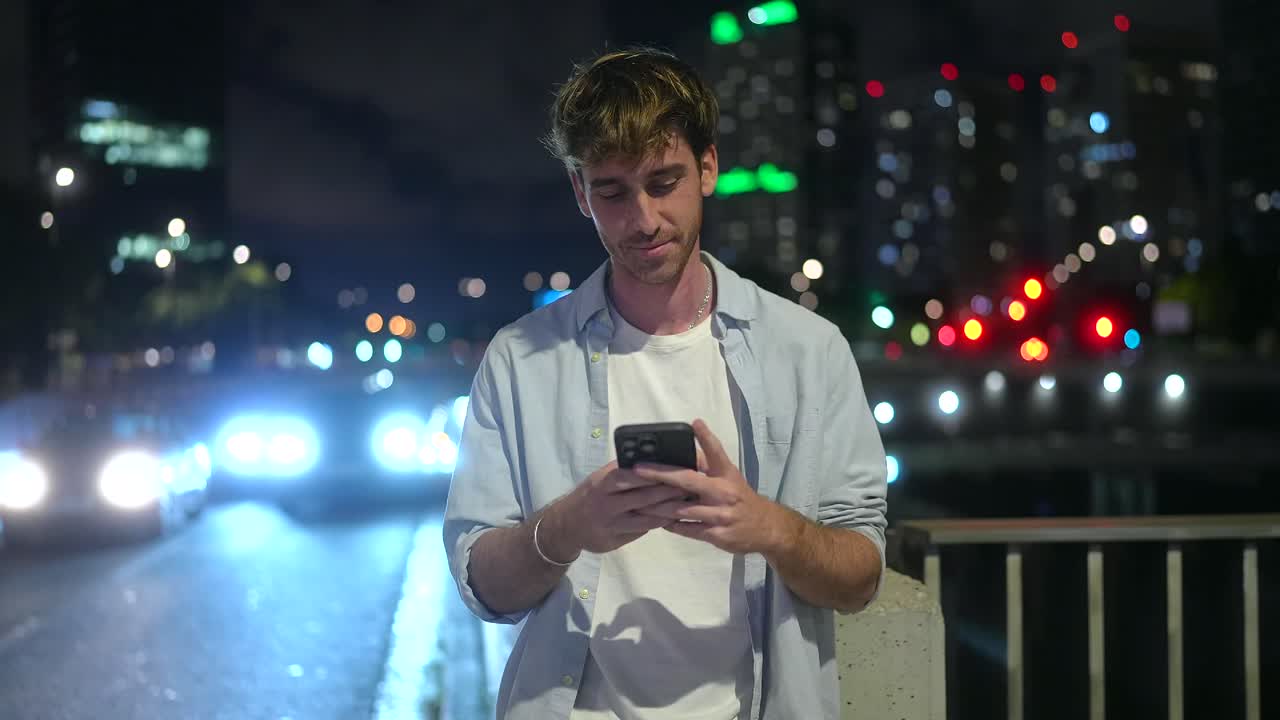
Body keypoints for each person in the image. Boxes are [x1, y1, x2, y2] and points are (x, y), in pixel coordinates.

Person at [443, 47, 888, 720]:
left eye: (663, 181)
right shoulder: (520, 359)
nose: (643, 221)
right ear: (580, 193)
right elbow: (482, 587)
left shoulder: (807, 351)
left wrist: (770, 527)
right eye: (613, 192)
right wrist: (569, 527)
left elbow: (861, 577)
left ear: (708, 168)